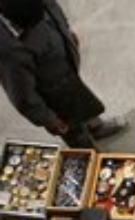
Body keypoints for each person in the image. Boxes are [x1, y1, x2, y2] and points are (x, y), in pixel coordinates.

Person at [0, 0, 128, 148]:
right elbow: (22, 96)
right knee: (74, 132)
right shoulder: (8, 50)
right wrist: (48, 119)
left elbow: (53, 9)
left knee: (81, 97)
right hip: (53, 95)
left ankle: (95, 127)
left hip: (65, 71)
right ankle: (86, 150)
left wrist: (65, 32)